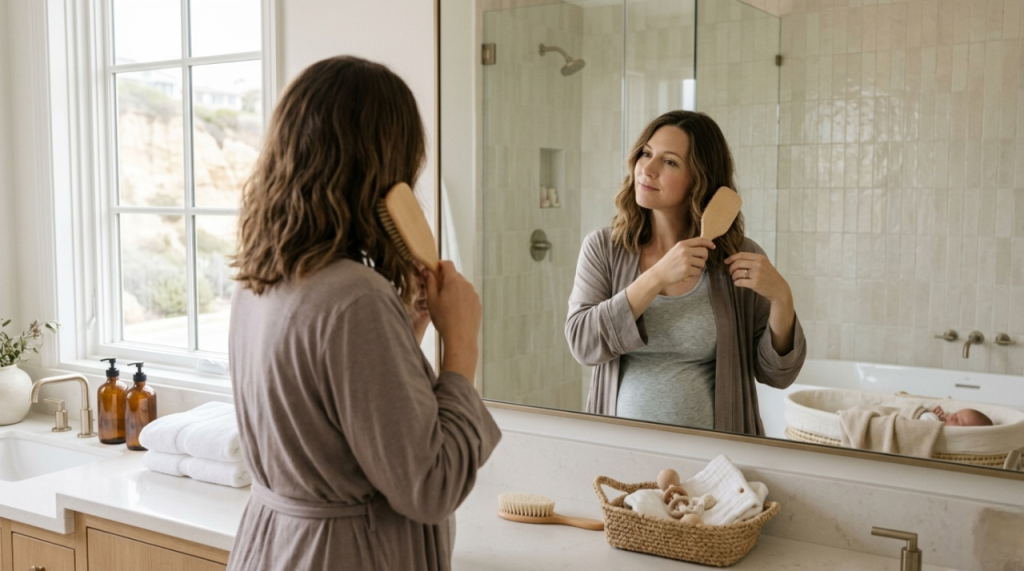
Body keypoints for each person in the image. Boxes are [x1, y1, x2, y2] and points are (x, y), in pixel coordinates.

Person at [227, 56, 501, 571]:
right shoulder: (356, 297)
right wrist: (461, 348)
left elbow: (330, 420)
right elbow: (430, 485)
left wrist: (404, 334)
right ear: (383, 168)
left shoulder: (263, 278)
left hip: (276, 547)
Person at [565, 110, 806, 435]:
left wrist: (782, 298)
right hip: (621, 454)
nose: (647, 169)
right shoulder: (604, 248)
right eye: (646, 154)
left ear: (699, 178)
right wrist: (655, 278)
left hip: (715, 464)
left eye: (669, 162)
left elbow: (777, 375)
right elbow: (583, 344)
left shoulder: (737, 258)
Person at [921, 406, 993, 426]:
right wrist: (933, 413)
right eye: (955, 414)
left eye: (957, 421)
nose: (952, 416)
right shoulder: (940, 419)